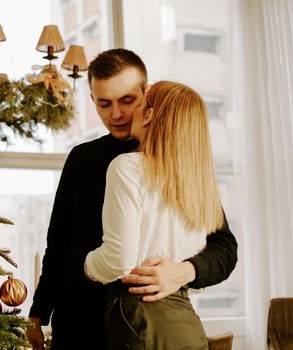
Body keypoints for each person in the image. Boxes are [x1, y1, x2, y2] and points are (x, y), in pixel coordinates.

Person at [26, 49, 237, 350]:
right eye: (104, 103)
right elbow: (58, 244)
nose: (116, 114)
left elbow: (225, 247)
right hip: (78, 325)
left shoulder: (183, 164)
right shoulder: (82, 159)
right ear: (92, 101)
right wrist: (38, 312)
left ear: (147, 97)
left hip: (142, 324)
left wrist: (185, 271)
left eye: (127, 101)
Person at [85, 80, 222, 349]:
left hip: (140, 312)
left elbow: (118, 260)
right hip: (185, 317)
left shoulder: (127, 168)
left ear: (149, 114)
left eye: (140, 101)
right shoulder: (199, 185)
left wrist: (88, 265)